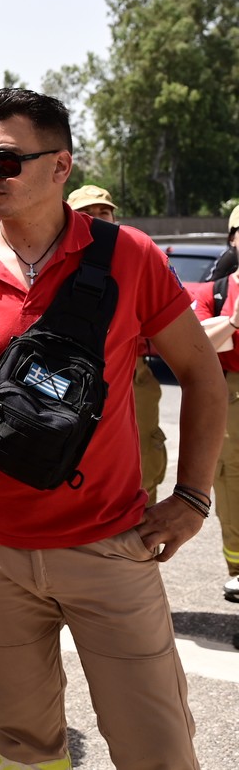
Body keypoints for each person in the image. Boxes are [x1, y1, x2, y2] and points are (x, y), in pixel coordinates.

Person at [0, 88, 225, 769]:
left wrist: (193, 496)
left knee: (159, 746)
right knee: (24, 746)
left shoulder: (131, 256)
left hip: (107, 541)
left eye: (4, 160)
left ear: (60, 166)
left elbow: (203, 377)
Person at [68, 184, 169, 501]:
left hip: (132, 377)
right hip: (73, 376)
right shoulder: (53, 264)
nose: (97, 219)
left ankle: (141, 543)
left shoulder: (139, 260)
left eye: (104, 213)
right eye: (87, 214)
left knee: (142, 467)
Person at [184, 203, 239, 603]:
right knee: (232, 484)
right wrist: (235, 321)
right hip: (231, 391)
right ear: (233, 240)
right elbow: (198, 341)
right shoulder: (212, 291)